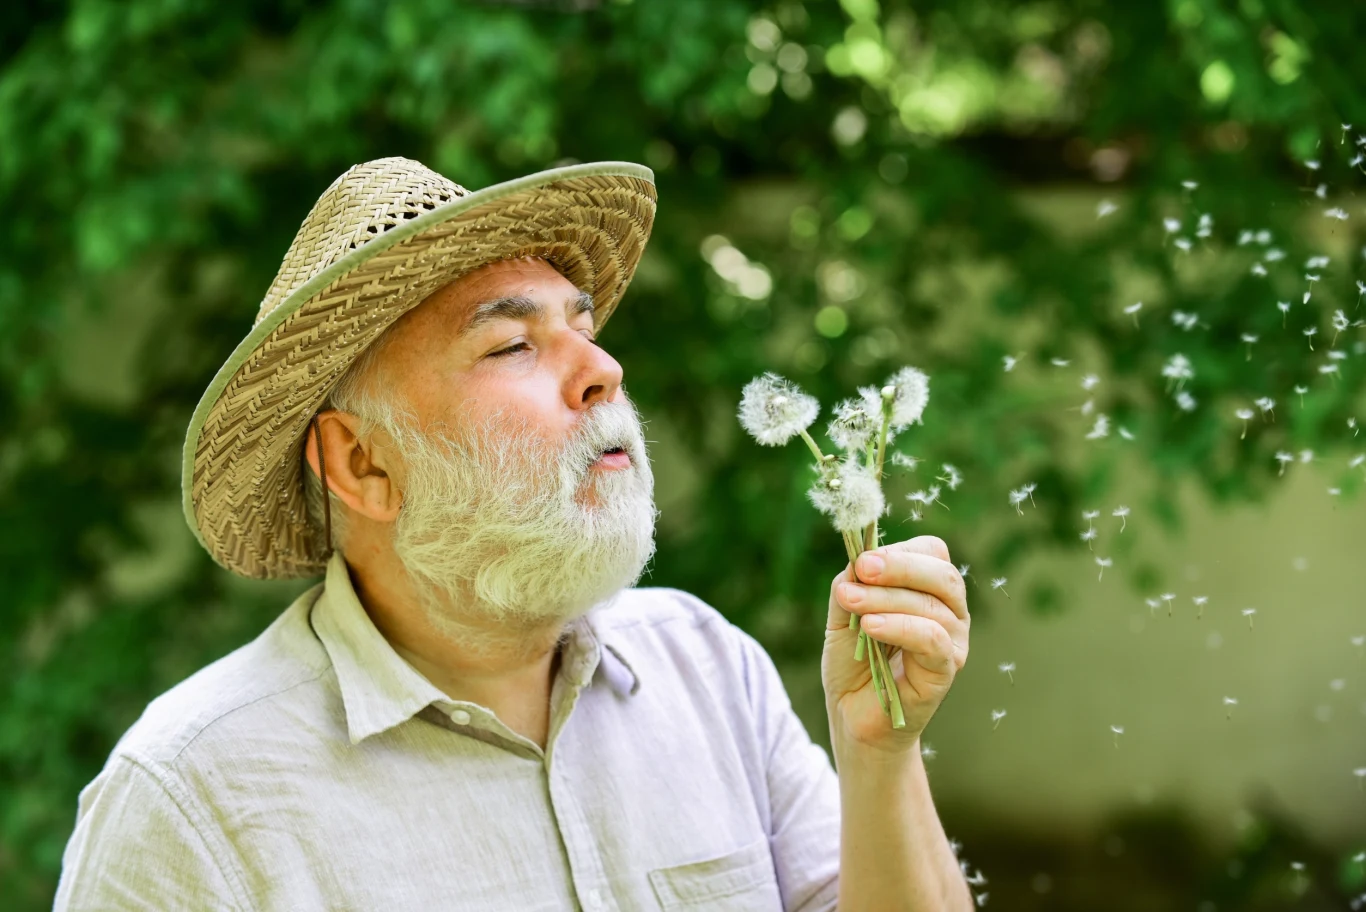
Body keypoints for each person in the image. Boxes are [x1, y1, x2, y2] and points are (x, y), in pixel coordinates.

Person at [54, 157, 973, 910]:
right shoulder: (191, 798)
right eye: (511, 347)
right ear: (363, 465)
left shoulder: (710, 668)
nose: (603, 369)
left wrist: (878, 754)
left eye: (584, 327)